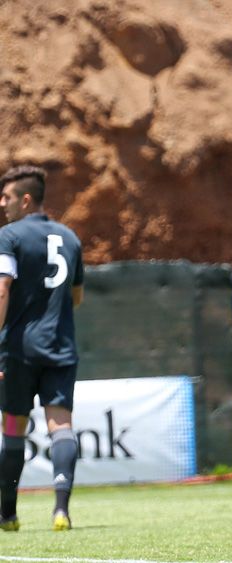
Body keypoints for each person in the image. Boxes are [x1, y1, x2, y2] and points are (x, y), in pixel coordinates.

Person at [0, 165, 84, 532]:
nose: (3, 204)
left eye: (6, 197)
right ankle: (61, 510)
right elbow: (77, 297)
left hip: (18, 348)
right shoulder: (71, 238)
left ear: (26, 199)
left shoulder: (8, 236)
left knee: (13, 426)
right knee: (61, 427)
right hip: (61, 346)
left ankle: (8, 515)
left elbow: (1, 288)